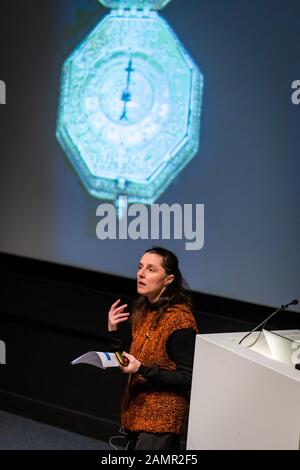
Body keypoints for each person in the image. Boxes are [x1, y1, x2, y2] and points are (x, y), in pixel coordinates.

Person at [106, 246, 198, 450]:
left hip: (161, 421)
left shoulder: (180, 321)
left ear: (168, 279)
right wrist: (113, 331)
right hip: (136, 411)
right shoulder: (143, 310)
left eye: (151, 269)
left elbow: (188, 378)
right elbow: (130, 361)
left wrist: (142, 369)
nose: (141, 273)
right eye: (140, 267)